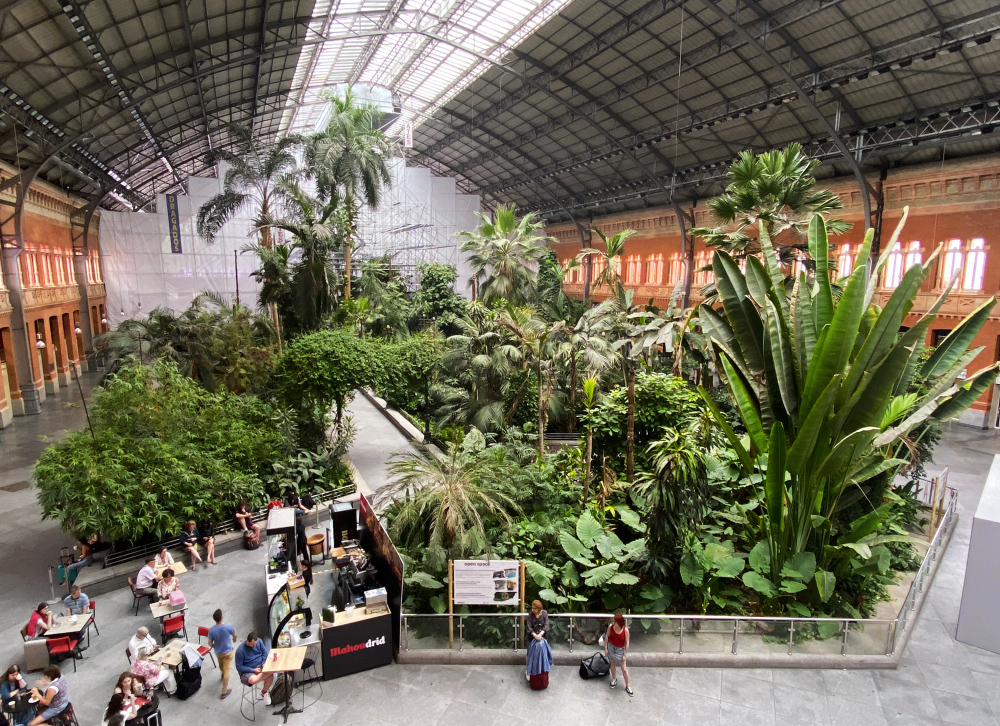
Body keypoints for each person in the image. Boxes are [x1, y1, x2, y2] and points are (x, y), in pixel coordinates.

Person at [234, 631, 274, 705]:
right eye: (252, 644)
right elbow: (239, 667)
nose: (254, 646)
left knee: (270, 677)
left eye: (255, 644)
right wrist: (252, 670)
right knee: (253, 679)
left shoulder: (259, 641)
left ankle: (264, 692)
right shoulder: (240, 651)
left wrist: (263, 663)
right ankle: (267, 673)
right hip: (248, 670)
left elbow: (264, 653)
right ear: (248, 641)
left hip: (260, 666)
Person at [207, 609, 237, 699]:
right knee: (227, 670)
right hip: (227, 652)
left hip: (218, 652)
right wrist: (234, 638)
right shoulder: (227, 626)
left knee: (221, 665)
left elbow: (209, 642)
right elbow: (234, 634)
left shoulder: (212, 630)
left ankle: (223, 674)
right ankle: (224, 691)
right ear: (222, 617)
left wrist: (213, 645)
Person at [525, 600, 553, 686]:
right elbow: (529, 627)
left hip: (542, 638)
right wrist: (535, 635)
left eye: (535, 608)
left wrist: (540, 635)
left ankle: (542, 670)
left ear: (539, 608)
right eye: (532, 608)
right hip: (532, 638)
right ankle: (529, 671)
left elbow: (547, 625)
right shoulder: (530, 615)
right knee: (530, 654)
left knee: (543, 654)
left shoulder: (544, 613)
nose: (533, 610)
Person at [605, 612, 632, 696]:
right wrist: (605, 647)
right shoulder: (611, 627)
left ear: (619, 622)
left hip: (620, 649)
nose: (613, 623)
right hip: (611, 647)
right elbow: (607, 636)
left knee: (624, 668)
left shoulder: (625, 630)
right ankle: (614, 679)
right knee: (612, 663)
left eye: (615, 621)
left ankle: (628, 686)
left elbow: (627, 642)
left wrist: (625, 654)